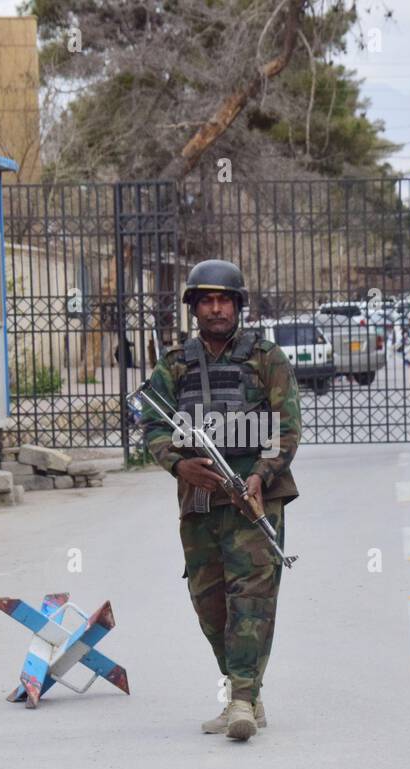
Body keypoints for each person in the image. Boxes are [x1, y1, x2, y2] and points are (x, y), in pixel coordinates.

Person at [140, 259, 301, 741]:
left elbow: (287, 428)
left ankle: (242, 700)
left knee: (251, 602)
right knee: (210, 605)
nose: (216, 309)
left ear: (237, 306)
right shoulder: (174, 365)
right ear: (194, 308)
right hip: (200, 502)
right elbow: (152, 426)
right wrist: (179, 465)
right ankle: (244, 692)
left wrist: (260, 475)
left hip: (254, 500)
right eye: (207, 301)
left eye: (224, 300)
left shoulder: (266, 358)